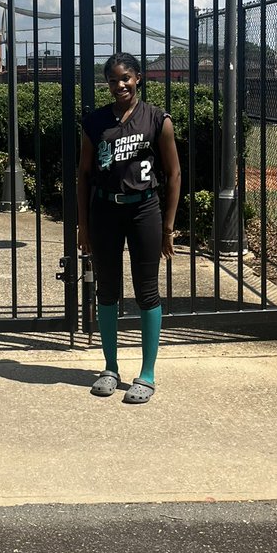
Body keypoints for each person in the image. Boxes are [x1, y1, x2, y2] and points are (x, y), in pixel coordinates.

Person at [77, 52, 181, 404]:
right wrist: (83, 225)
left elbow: (174, 174)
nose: (119, 85)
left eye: (125, 78)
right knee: (107, 290)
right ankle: (110, 367)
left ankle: (147, 374)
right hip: (105, 210)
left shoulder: (157, 119)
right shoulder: (95, 123)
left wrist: (168, 227)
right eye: (113, 80)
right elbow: (84, 175)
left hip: (144, 211)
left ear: (138, 78)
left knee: (146, 291)